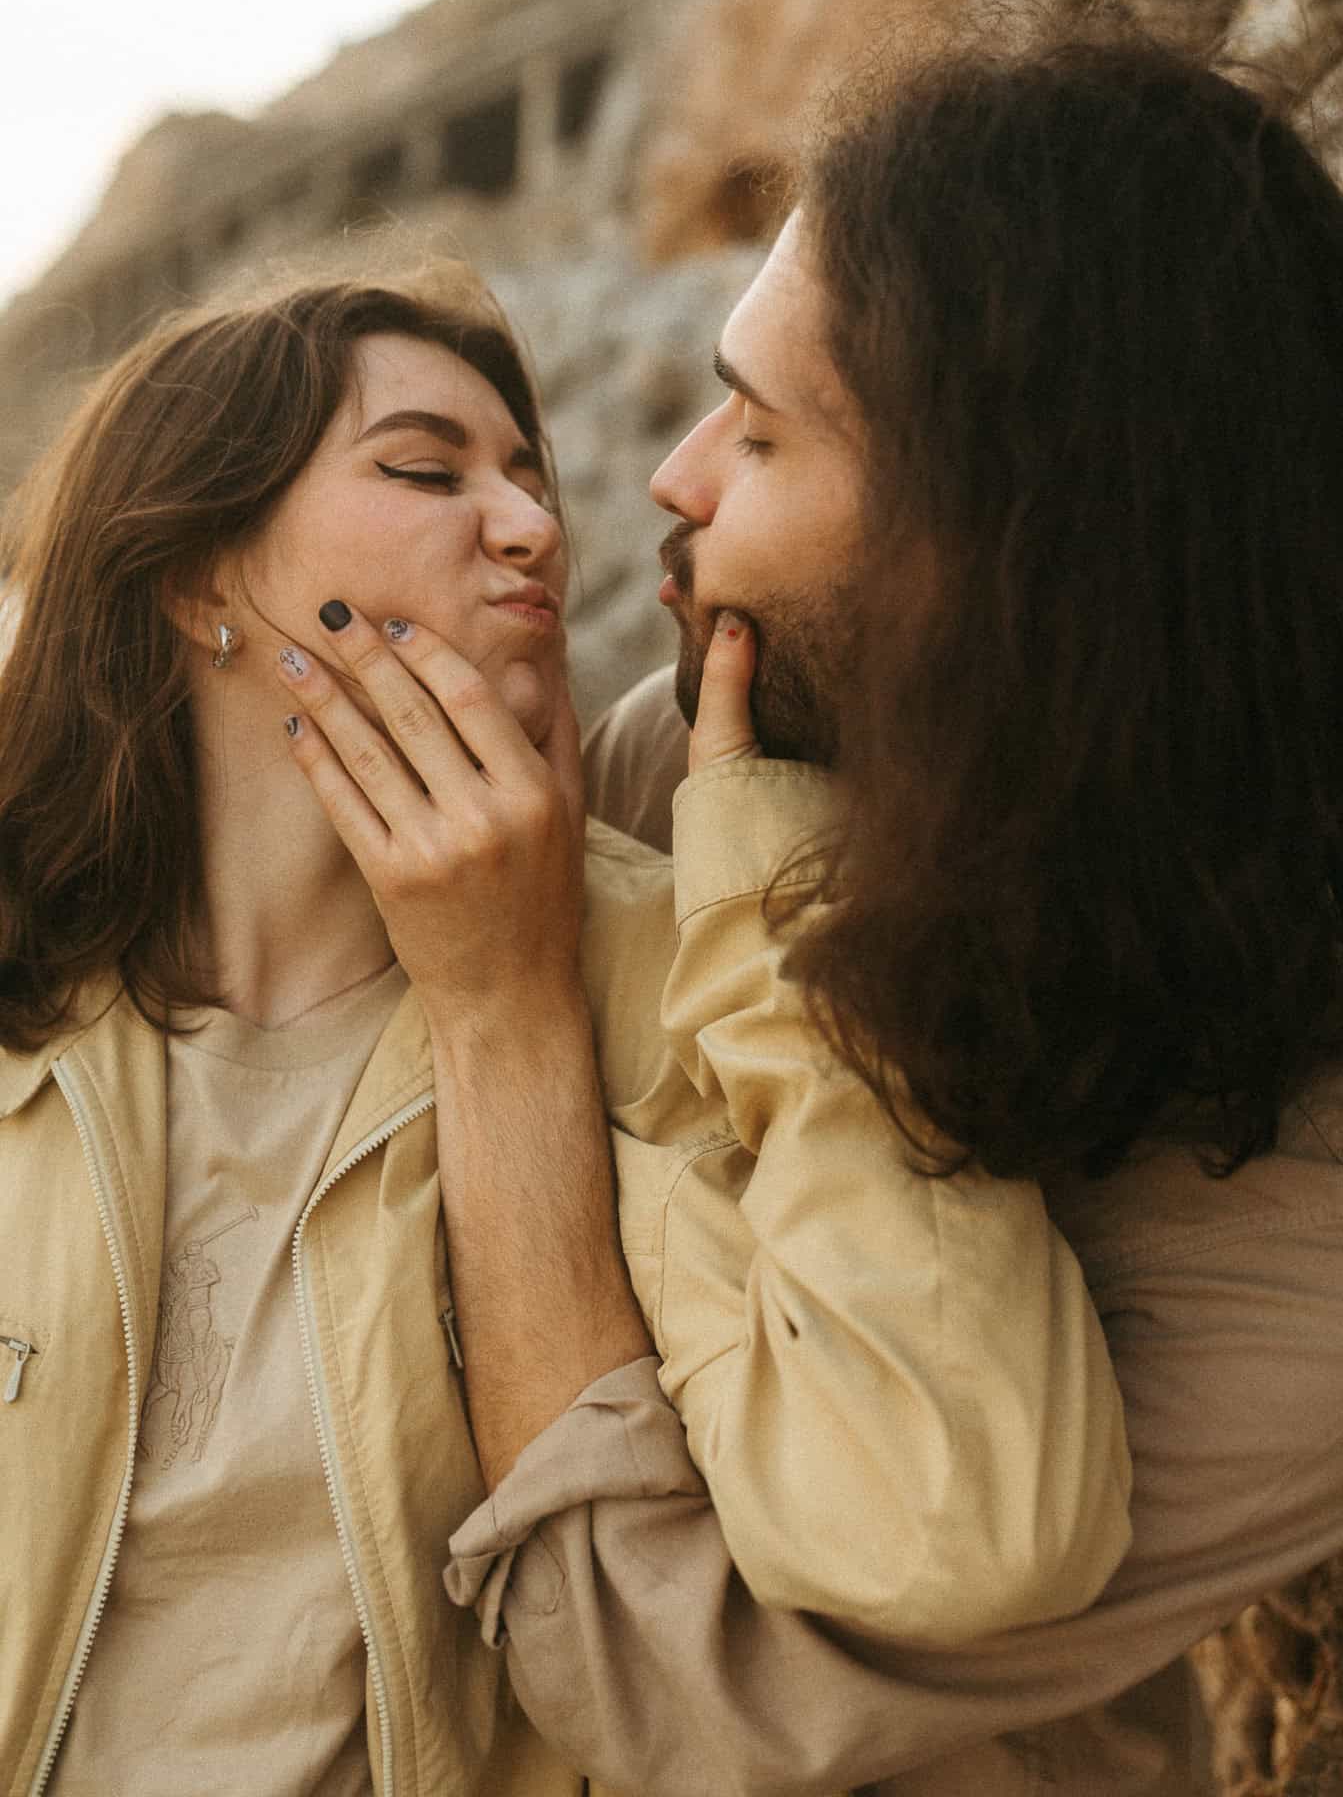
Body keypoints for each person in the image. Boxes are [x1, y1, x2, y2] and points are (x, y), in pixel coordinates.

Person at [0, 260, 1129, 1796]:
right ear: (197, 577)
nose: (535, 524)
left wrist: (751, 867)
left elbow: (970, 1520)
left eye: (530, 474)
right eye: (422, 470)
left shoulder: (702, 978)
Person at [432, 26, 1343, 1795]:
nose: (672, 475)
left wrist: (504, 1024)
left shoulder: (1326, 1213)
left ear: (997, 559)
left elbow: (683, 1684)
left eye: (764, 436)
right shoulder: (727, 741)